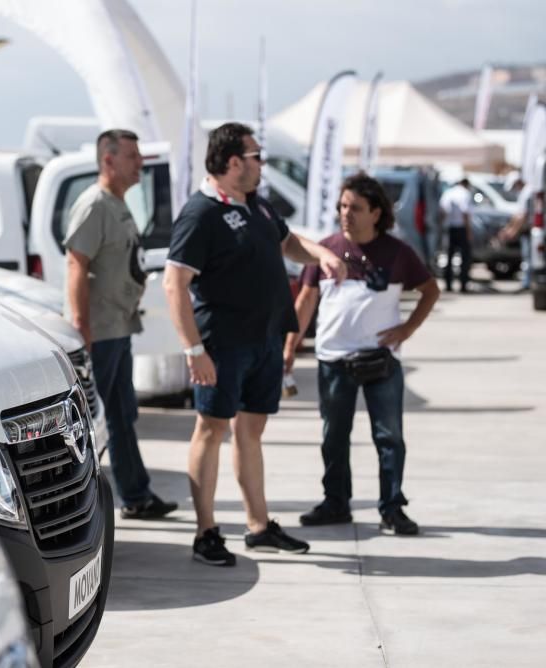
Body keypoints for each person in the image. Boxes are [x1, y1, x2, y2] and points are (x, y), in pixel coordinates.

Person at [163, 122, 347, 566]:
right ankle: (206, 532)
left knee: (251, 430)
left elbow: (289, 244)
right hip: (222, 345)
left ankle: (258, 526)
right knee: (211, 429)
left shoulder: (257, 206)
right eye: (256, 156)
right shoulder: (200, 213)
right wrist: (194, 350)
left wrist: (320, 253)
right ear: (232, 162)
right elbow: (174, 284)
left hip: (263, 340)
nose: (262, 163)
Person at [285, 173, 440, 536]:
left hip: (380, 362)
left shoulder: (398, 253)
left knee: (389, 438)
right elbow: (306, 300)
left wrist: (407, 329)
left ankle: (392, 508)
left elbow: (430, 290)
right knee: (333, 436)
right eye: (342, 206)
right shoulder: (324, 250)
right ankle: (335, 503)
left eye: (354, 207)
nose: (345, 213)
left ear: (376, 212)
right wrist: (290, 346)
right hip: (334, 361)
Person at [64, 128, 177, 520]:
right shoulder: (95, 205)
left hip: (119, 327)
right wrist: (81, 326)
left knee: (122, 414)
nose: (140, 164)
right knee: (91, 421)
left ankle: (136, 494)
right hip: (100, 332)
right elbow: (77, 263)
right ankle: (79, 503)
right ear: (108, 160)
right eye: (132, 156)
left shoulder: (118, 204)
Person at [439, 177, 474, 292]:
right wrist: (469, 232)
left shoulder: (448, 193)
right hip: (461, 228)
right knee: (464, 257)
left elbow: (442, 211)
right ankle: (463, 284)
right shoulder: (465, 194)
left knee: (449, 257)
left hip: (450, 228)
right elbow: (465, 213)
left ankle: (448, 284)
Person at [498, 176, 533, 290]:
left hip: (529, 231)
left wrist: (512, 231)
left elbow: (522, 216)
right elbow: (517, 215)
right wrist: (508, 228)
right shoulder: (525, 193)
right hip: (527, 231)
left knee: (529, 258)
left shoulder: (527, 192)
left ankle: (527, 283)